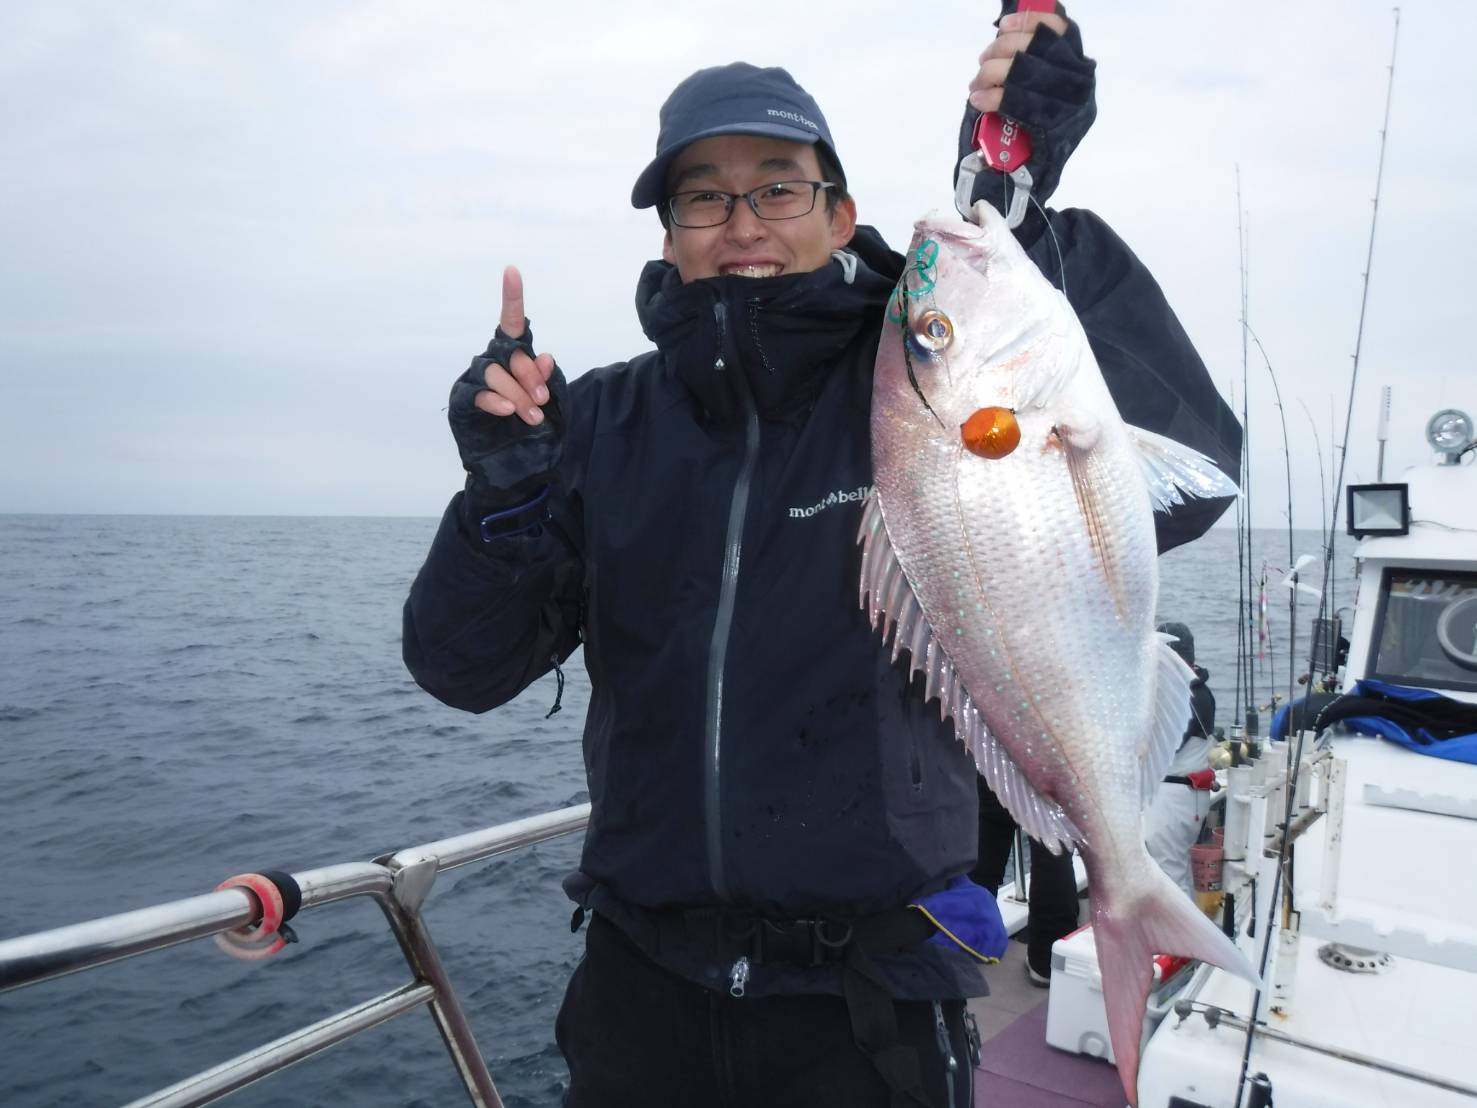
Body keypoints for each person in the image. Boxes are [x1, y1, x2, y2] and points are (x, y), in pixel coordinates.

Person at [402, 6, 1242, 1105]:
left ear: (841, 212)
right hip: (637, 986)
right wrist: (504, 494)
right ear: (667, 233)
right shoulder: (602, 424)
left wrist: (1019, 192)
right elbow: (462, 669)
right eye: (702, 194)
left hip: (869, 1002)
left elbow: (1185, 470)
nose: (741, 218)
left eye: (779, 185)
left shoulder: (904, 377)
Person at [972, 781, 1080, 987]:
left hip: (995, 761)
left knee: (985, 840)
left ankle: (972, 941)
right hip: (1045, 766)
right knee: (1052, 851)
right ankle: (1046, 962)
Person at [1145, 621, 1218, 895]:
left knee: (1168, 877)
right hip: (1183, 795)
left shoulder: (1184, 696)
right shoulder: (1197, 691)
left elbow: (1159, 746)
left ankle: (1175, 937)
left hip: (1172, 798)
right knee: (1177, 872)